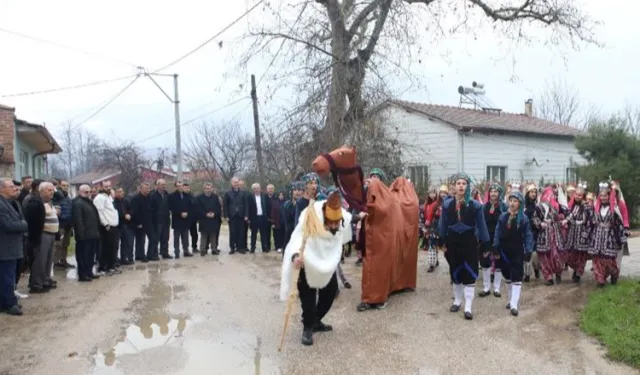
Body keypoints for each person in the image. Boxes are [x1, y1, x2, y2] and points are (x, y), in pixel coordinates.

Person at [280, 187, 352, 346]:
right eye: (330, 223)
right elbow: (297, 239)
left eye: (336, 223)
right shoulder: (310, 217)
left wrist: (360, 216)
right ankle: (307, 328)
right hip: (308, 263)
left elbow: (349, 220)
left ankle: (315, 321)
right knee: (308, 298)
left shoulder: (340, 219)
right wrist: (295, 256)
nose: (334, 226)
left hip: (326, 263)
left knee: (331, 291)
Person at [437, 173, 490, 320]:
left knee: (470, 273)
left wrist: (486, 244)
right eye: (458, 183)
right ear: (454, 186)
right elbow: (443, 224)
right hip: (453, 243)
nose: (461, 186)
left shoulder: (476, 206)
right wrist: (441, 240)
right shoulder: (447, 205)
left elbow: (482, 226)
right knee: (456, 272)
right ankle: (457, 301)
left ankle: (468, 307)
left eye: (464, 183)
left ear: (467, 186)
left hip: (469, 243)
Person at [492, 189, 533, 317]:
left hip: (517, 250)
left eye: (515, 201)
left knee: (516, 276)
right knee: (507, 276)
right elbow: (497, 233)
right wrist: (495, 246)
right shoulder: (502, 217)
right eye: (511, 200)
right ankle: (510, 300)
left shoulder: (524, 219)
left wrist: (528, 250)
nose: (512, 203)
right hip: (504, 251)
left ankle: (514, 304)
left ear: (520, 203)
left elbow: (528, 235)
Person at [588, 182, 627, 287]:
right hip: (597, 236)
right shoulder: (596, 208)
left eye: (605, 196)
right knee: (597, 259)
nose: (603, 198)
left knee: (609, 259)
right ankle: (600, 279)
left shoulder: (614, 208)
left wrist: (623, 234)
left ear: (609, 196)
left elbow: (619, 223)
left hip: (609, 237)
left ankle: (614, 274)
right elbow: (591, 221)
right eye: (601, 196)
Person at [0, 178, 28, 315]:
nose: (14, 189)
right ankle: (10, 304)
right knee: (7, 276)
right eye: (10, 186)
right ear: (1, 189)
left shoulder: (11, 203)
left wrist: (21, 223)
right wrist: (23, 225)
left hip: (12, 246)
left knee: (8, 276)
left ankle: (6, 302)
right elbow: (8, 225)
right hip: (5, 247)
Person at [24, 181, 58, 294]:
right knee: (40, 260)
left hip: (51, 234)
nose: (52, 192)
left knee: (48, 260)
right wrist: (35, 237)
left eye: (52, 190)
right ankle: (37, 284)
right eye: (49, 190)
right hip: (42, 235)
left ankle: (45, 280)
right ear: (41, 190)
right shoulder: (35, 202)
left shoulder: (48, 202)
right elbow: (33, 222)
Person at [531, 186, 565, 285]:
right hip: (543, 234)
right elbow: (534, 218)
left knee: (556, 255)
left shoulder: (555, 206)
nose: (550, 197)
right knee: (544, 256)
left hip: (555, 234)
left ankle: (558, 273)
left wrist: (561, 220)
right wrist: (540, 223)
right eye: (548, 194)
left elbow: (561, 217)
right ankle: (548, 276)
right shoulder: (538, 207)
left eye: (552, 195)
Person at [479, 183, 508, 298]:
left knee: (498, 262)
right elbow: (480, 223)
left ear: (499, 193)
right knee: (485, 262)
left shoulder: (504, 207)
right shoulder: (483, 207)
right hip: (486, 238)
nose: (493, 193)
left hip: (499, 238)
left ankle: (496, 288)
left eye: (496, 191)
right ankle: (486, 287)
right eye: (491, 191)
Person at [562, 182, 591, 283]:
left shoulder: (587, 207)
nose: (577, 197)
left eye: (580, 195)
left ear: (583, 196)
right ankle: (575, 269)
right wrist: (566, 220)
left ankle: (578, 273)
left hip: (582, 233)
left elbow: (589, 221)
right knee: (570, 254)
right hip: (573, 233)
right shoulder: (574, 205)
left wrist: (586, 233)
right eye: (576, 195)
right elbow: (571, 216)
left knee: (581, 256)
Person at [72, 185, 101, 282]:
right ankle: (83, 274)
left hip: (92, 233)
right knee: (83, 256)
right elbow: (78, 220)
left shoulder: (89, 202)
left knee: (90, 256)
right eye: (86, 192)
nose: (88, 194)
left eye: (90, 192)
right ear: (80, 192)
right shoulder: (78, 203)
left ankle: (89, 272)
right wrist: (81, 234)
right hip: (84, 235)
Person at [93, 181, 120, 275]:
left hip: (114, 226)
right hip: (106, 227)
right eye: (106, 186)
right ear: (101, 187)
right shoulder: (99, 198)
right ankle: (102, 268)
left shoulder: (108, 197)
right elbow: (99, 212)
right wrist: (105, 224)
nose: (108, 188)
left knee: (112, 248)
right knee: (105, 248)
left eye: (109, 186)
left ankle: (110, 266)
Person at [131, 182, 157, 262]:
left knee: (153, 238)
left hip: (149, 222)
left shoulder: (150, 198)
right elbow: (134, 212)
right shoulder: (136, 199)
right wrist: (138, 223)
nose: (148, 190)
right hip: (140, 223)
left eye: (148, 188)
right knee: (141, 241)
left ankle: (150, 255)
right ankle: (140, 255)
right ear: (141, 189)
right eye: (146, 188)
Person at [168, 181, 193, 258]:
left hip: (186, 220)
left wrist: (187, 213)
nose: (180, 187)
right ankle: (177, 252)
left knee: (185, 237)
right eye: (178, 186)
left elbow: (191, 206)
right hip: (177, 220)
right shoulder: (171, 196)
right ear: (176, 187)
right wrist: (180, 213)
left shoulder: (187, 195)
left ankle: (186, 251)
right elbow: (171, 207)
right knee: (176, 238)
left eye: (181, 186)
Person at [223, 177, 249, 254]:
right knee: (232, 232)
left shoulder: (243, 193)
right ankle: (232, 248)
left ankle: (240, 248)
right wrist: (226, 216)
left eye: (237, 182)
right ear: (232, 183)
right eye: (234, 182)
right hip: (232, 215)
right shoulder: (228, 193)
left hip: (241, 215)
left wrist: (246, 215)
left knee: (241, 232)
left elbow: (246, 204)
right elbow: (225, 205)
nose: (236, 184)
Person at [197, 182, 222, 255]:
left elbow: (219, 208)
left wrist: (214, 214)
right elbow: (198, 209)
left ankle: (214, 249)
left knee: (213, 235)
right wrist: (206, 214)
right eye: (207, 189)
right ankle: (203, 250)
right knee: (204, 235)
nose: (208, 190)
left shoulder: (215, 197)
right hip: (204, 219)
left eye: (210, 188)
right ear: (204, 189)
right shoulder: (199, 197)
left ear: (212, 189)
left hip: (213, 219)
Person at [522, 183, 541, 282]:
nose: (533, 194)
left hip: (535, 232)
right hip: (525, 232)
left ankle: (537, 269)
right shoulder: (523, 205)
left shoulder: (537, 206)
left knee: (535, 255)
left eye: (535, 192)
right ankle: (527, 274)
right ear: (527, 193)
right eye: (531, 192)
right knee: (526, 254)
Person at [248, 183, 272, 253]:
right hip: (254, 218)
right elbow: (249, 208)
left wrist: (268, 216)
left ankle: (264, 247)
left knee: (263, 233)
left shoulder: (264, 196)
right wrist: (249, 218)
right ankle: (252, 248)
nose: (257, 190)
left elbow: (268, 206)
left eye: (258, 188)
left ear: (260, 189)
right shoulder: (250, 197)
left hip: (263, 217)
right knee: (253, 234)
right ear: (253, 190)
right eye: (255, 188)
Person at [151, 179, 171, 259]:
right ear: (158, 185)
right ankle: (154, 254)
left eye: (164, 184)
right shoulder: (153, 195)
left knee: (165, 237)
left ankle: (165, 253)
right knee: (156, 238)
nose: (163, 186)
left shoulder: (166, 194)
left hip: (166, 219)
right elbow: (151, 208)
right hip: (157, 220)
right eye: (162, 184)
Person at [182, 183, 199, 255]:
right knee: (185, 235)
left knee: (194, 234)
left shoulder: (192, 196)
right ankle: (185, 249)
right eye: (185, 188)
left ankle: (194, 247)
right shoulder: (181, 196)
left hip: (193, 219)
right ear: (182, 188)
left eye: (188, 188)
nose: (187, 189)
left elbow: (196, 205)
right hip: (184, 219)